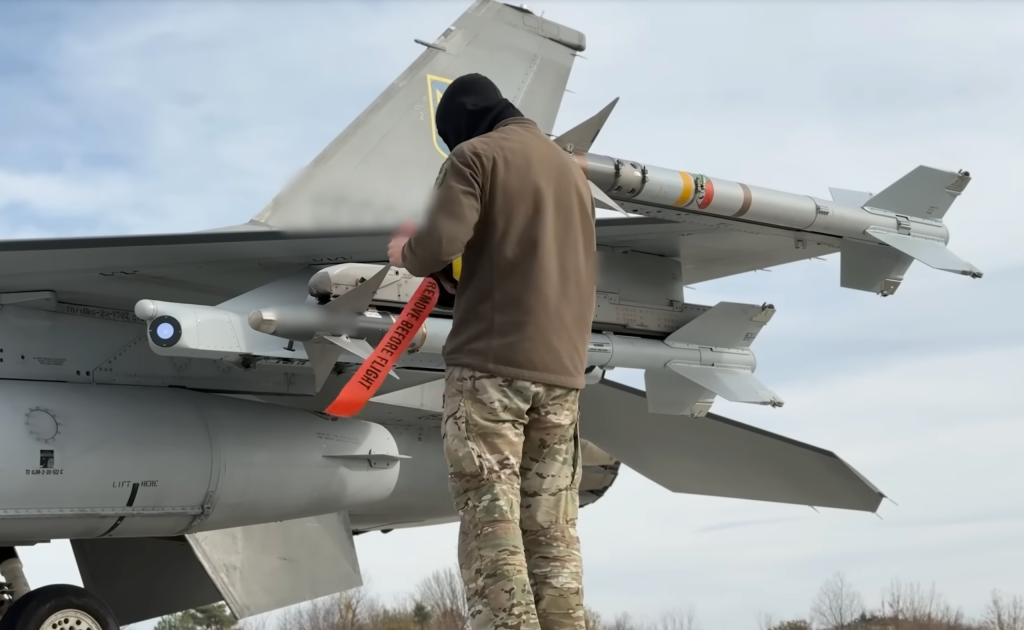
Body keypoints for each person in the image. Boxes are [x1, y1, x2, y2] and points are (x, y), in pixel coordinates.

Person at [387, 73, 596, 630]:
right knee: (552, 526)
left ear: (461, 126)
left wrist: (406, 252)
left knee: (491, 517)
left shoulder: (475, 157)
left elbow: (439, 243)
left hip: (491, 366)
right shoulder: (570, 172)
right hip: (562, 370)